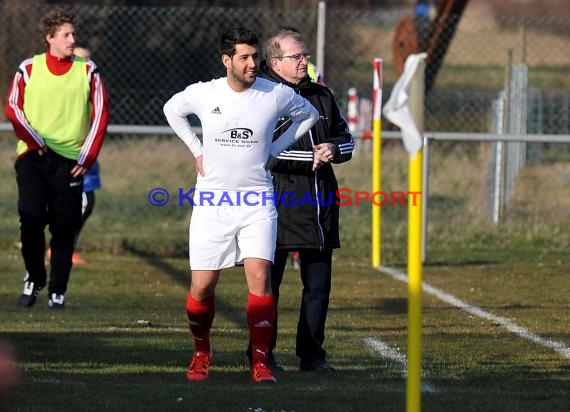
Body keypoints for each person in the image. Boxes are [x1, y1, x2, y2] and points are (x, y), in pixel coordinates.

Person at [163, 27, 319, 384]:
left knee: (260, 280)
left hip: (257, 200)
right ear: (227, 60)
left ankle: (260, 362)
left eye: (255, 57)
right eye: (245, 58)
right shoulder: (204, 93)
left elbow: (308, 115)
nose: (253, 64)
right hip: (212, 202)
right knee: (202, 286)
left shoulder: (274, 93)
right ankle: (202, 351)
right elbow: (172, 110)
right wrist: (197, 150)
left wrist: (273, 150)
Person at [246, 28, 354, 372]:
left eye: (305, 55)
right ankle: (261, 354)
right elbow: (261, 149)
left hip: (321, 202)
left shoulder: (322, 95)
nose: (304, 61)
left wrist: (333, 148)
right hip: (278, 201)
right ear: (275, 62)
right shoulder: (260, 96)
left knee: (318, 286)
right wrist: (310, 156)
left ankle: (312, 355)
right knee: (268, 285)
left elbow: (346, 138)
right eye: (297, 56)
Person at [5, 10, 109, 309]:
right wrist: (34, 139)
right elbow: (13, 106)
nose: (72, 40)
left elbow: (101, 113)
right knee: (30, 217)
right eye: (66, 35)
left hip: (70, 161)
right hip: (32, 156)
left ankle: (57, 291)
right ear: (49, 37)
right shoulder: (28, 68)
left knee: (64, 228)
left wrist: (87, 156)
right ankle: (34, 277)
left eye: (73, 34)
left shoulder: (88, 70)